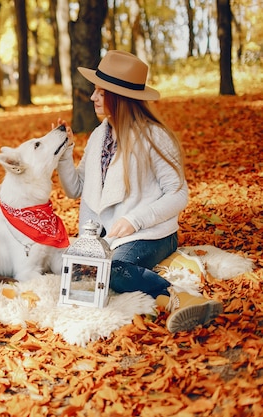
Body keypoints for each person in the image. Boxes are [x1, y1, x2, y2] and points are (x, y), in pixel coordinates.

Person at [56, 50, 222, 333]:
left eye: (100, 92)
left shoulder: (154, 136)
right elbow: (76, 189)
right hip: (108, 238)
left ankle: (182, 298)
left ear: (118, 97)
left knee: (112, 273)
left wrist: (136, 220)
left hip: (151, 233)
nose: (92, 98)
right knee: (77, 272)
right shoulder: (99, 135)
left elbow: (178, 194)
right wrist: (64, 153)